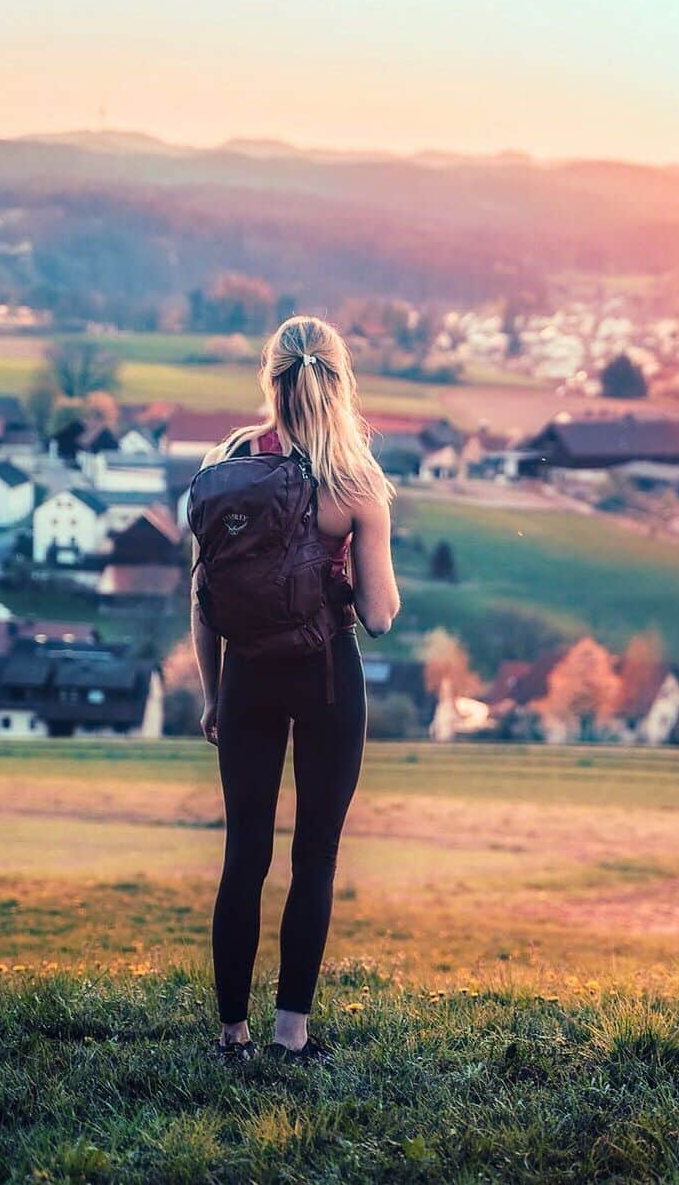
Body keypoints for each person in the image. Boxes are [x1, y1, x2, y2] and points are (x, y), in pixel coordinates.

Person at [190, 315, 400, 1064]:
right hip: (325, 681)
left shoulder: (229, 462)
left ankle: (230, 1035)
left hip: (245, 674)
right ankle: (291, 1035)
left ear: (269, 379)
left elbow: (204, 596)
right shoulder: (356, 481)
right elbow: (377, 615)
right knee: (315, 855)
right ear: (340, 380)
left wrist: (215, 692)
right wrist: (336, 578)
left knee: (243, 852)